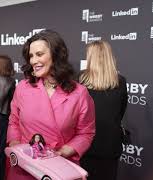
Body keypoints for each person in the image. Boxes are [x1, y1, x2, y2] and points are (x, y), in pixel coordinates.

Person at [6, 30, 95, 180]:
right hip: (24, 169)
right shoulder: (22, 87)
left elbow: (86, 133)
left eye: (39, 54)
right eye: (31, 56)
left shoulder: (79, 93)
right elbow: (13, 121)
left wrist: (64, 151)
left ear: (56, 55)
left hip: (60, 169)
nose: (33, 61)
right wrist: (17, 148)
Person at [79, 40, 128, 180]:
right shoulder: (121, 81)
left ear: (90, 57)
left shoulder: (80, 79)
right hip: (109, 145)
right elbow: (121, 112)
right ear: (109, 57)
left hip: (86, 144)